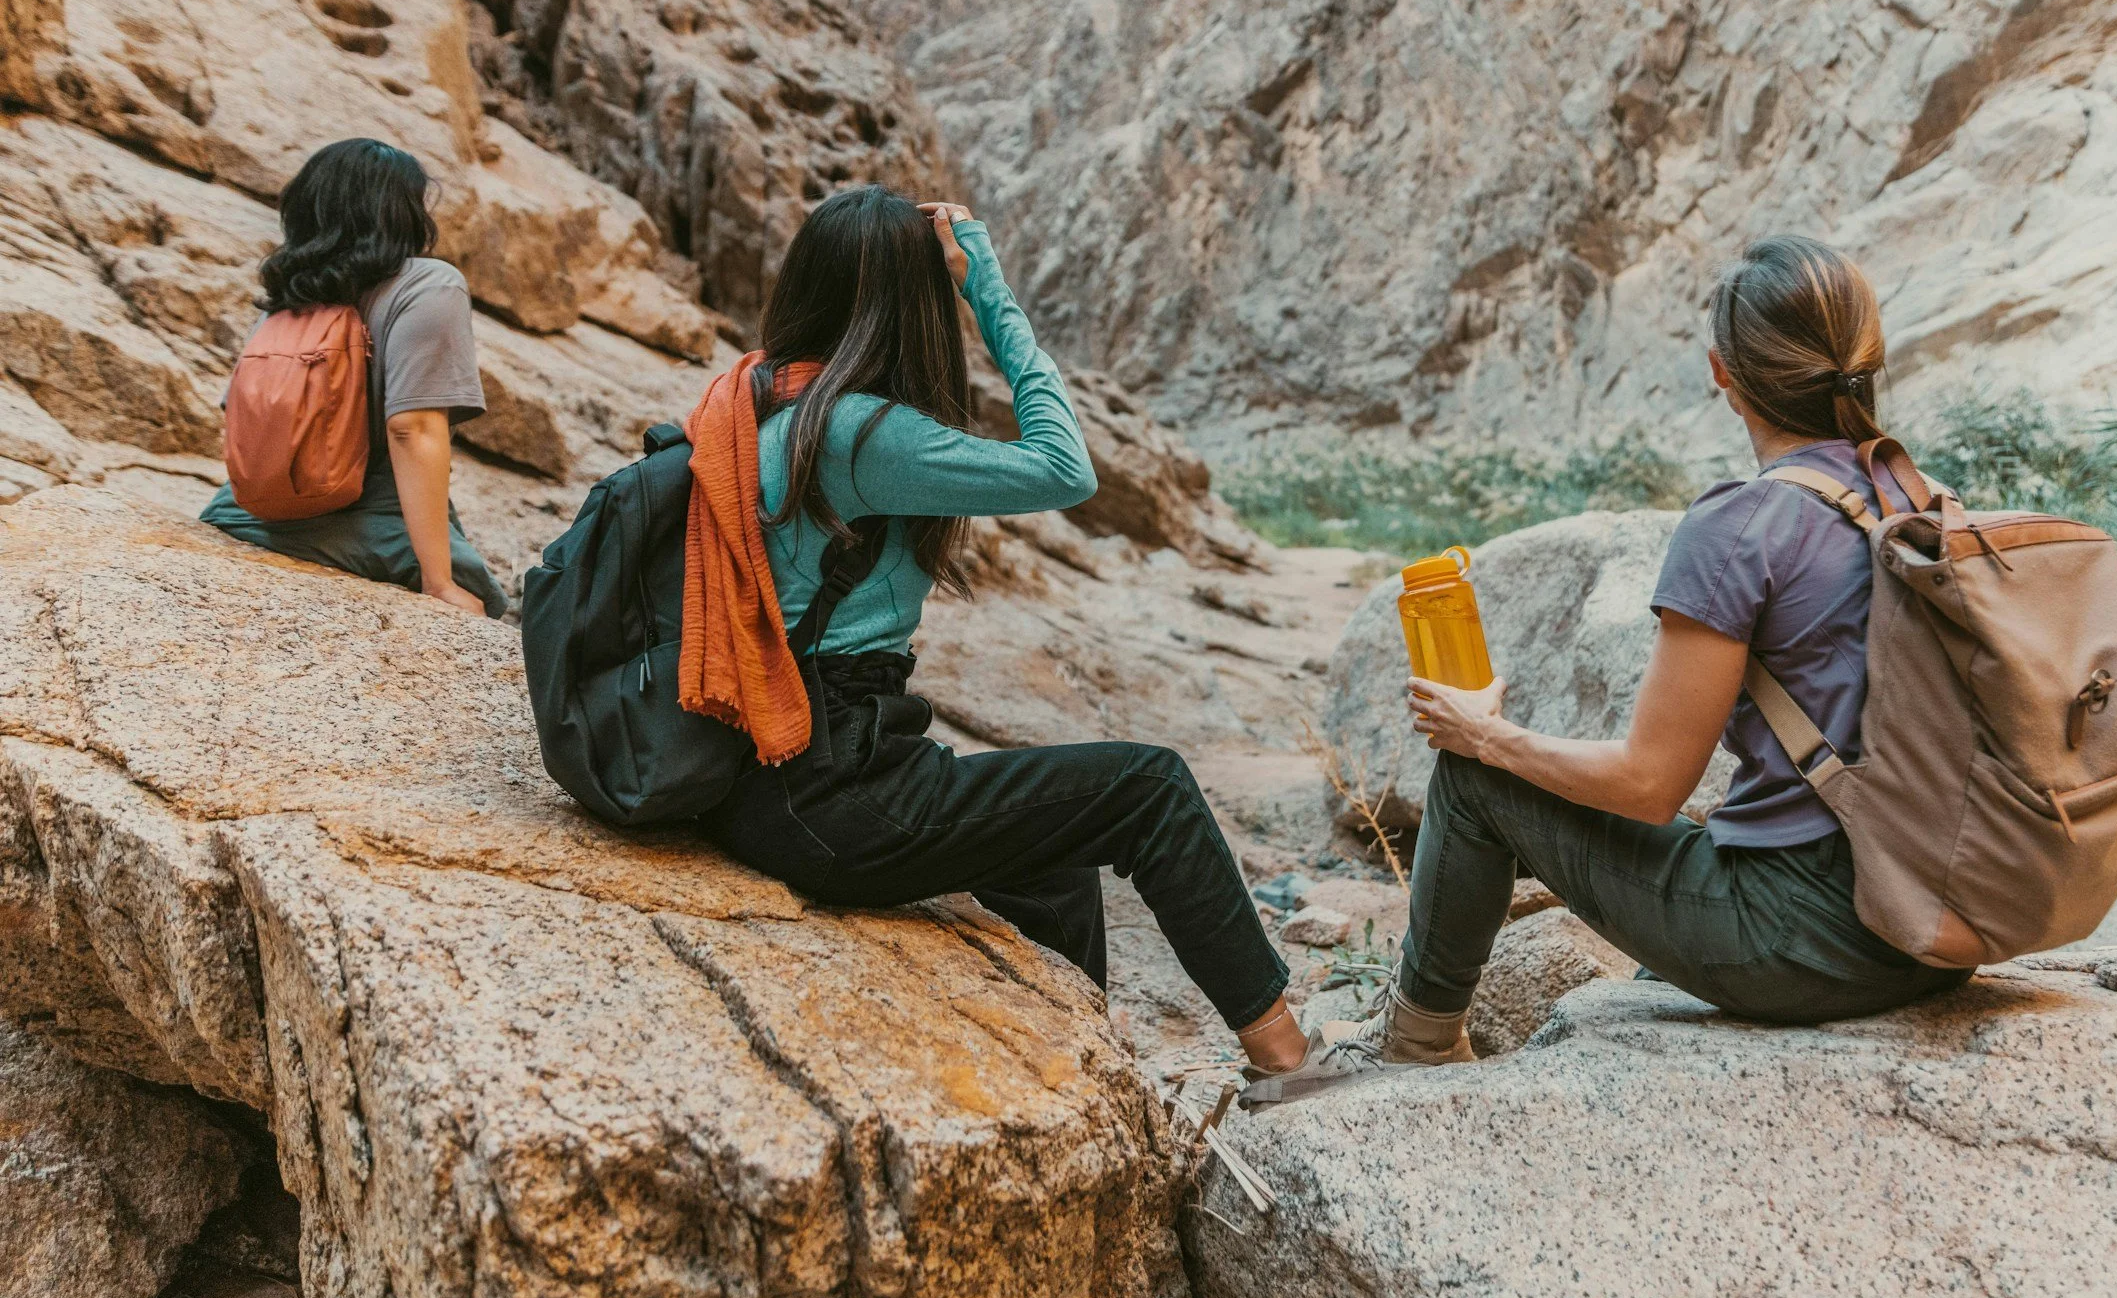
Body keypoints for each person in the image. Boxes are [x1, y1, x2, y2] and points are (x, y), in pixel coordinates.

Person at [1246, 234, 1971, 1104]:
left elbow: (1649, 784)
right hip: (1932, 925)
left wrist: (1486, 734)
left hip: (1811, 943)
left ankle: (1414, 1043)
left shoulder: (1744, 525)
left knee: (1477, 780)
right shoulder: (1911, 499)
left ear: (1720, 371)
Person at [687, 186, 1309, 1079]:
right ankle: (1289, 1060)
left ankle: (1078, 1057)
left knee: (1053, 856)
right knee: (1149, 787)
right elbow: (1066, 467)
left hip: (776, 778)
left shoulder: (774, 401)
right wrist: (988, 291)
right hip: (832, 794)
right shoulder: (859, 432)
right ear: (910, 307)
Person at [202, 140, 504, 617]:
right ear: (402, 211)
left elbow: (240, 419)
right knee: (483, 596)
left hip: (238, 514)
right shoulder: (428, 284)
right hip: (364, 521)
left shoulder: (288, 297)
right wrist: (440, 582)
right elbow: (413, 428)